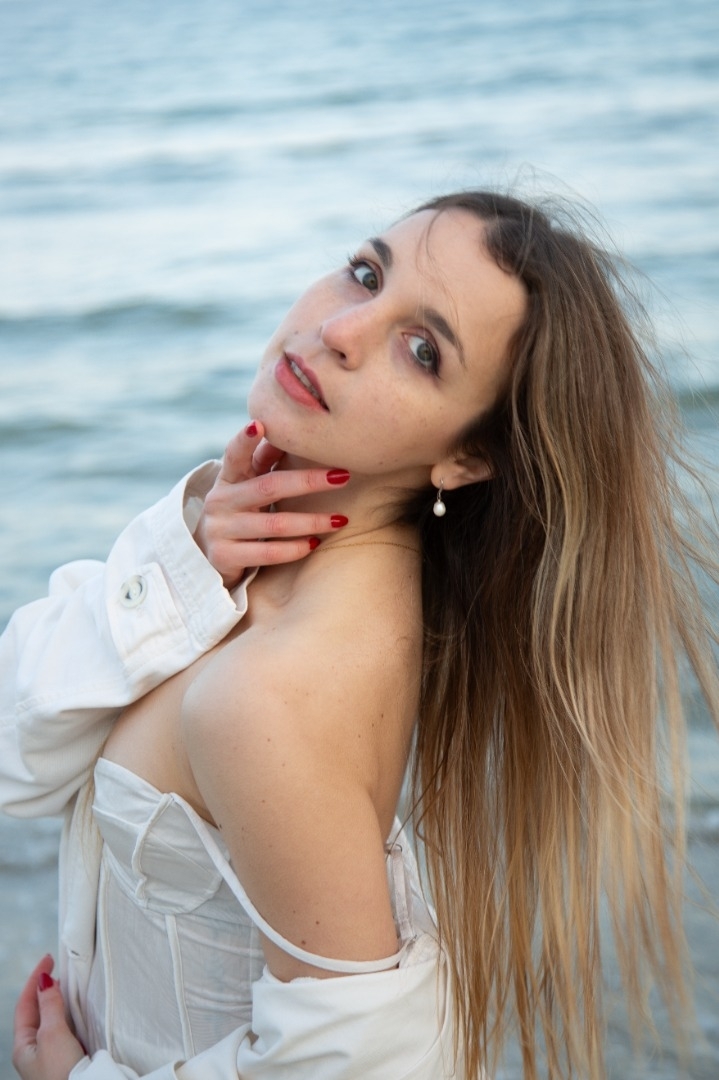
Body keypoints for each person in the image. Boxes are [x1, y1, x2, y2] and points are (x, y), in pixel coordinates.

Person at [1, 191, 717, 1080]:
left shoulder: (274, 690)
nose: (342, 329)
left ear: (466, 458)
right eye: (366, 273)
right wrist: (181, 564)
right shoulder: (245, 572)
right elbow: (18, 753)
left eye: (422, 351)